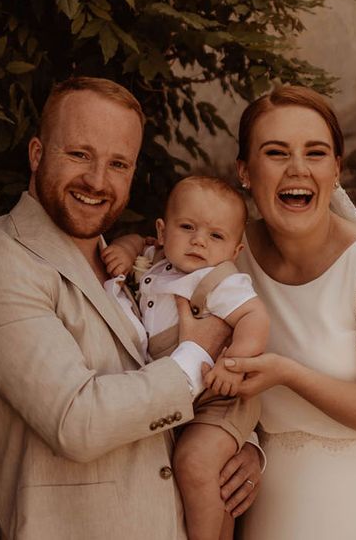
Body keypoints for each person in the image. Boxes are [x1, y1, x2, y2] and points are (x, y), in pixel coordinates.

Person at [0, 77, 262, 540]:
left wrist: (239, 445)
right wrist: (197, 356)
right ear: (37, 153)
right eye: (79, 154)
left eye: (118, 164)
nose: (97, 180)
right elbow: (78, 422)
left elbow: (156, 381)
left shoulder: (138, 265)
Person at [212, 85, 356, 539]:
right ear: (245, 170)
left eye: (316, 153)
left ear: (336, 168)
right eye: (276, 152)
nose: (297, 169)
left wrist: (288, 373)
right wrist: (246, 442)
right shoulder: (228, 259)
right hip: (273, 510)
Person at [101, 175, 269, 540]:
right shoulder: (155, 260)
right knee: (208, 479)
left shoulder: (222, 280)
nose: (198, 241)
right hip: (177, 398)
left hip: (218, 398)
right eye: (188, 227)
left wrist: (232, 362)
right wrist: (126, 250)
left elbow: (255, 318)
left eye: (216, 236)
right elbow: (139, 242)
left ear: (235, 251)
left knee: (195, 464)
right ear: (163, 231)